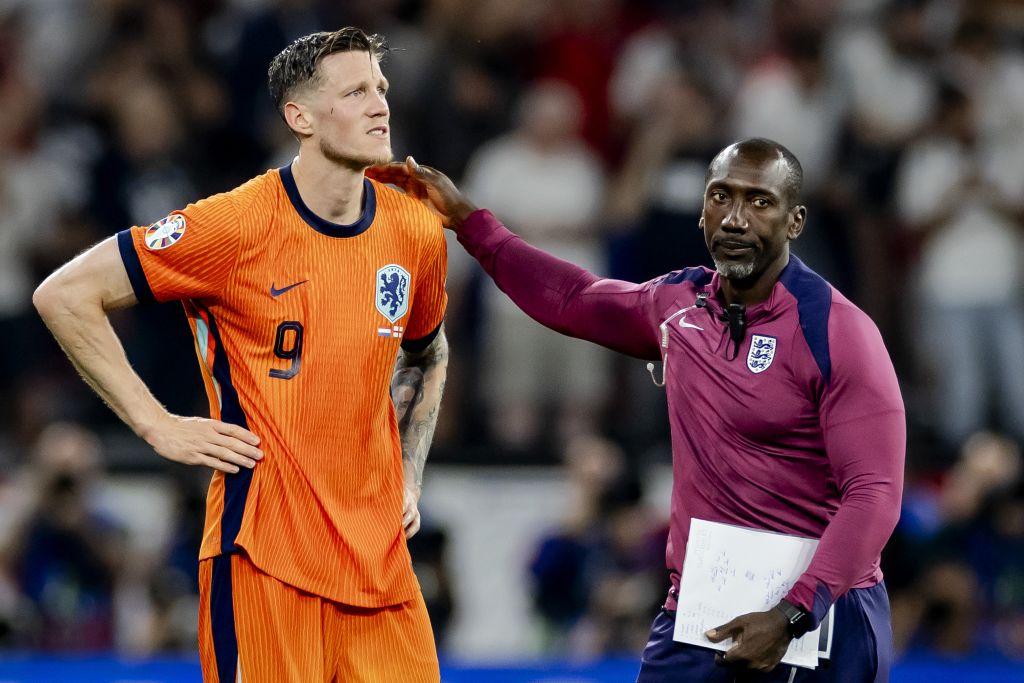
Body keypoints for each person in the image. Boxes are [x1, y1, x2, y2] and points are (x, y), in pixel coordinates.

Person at [370, 138, 905, 681]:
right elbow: (572, 299)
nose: (736, 218)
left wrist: (792, 614)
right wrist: (467, 220)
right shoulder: (679, 307)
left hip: (820, 620)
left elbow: (875, 494)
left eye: (760, 202)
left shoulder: (838, 331)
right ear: (702, 211)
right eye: (721, 196)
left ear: (795, 222)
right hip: (703, 611)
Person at [33, 27, 448, 683]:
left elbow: (426, 352)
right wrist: (155, 422)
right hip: (262, 559)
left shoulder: (416, 229)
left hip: (381, 571)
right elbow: (65, 293)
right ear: (299, 117)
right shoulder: (233, 226)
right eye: (356, 91)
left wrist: (410, 472)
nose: (380, 105)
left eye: (382, 88)